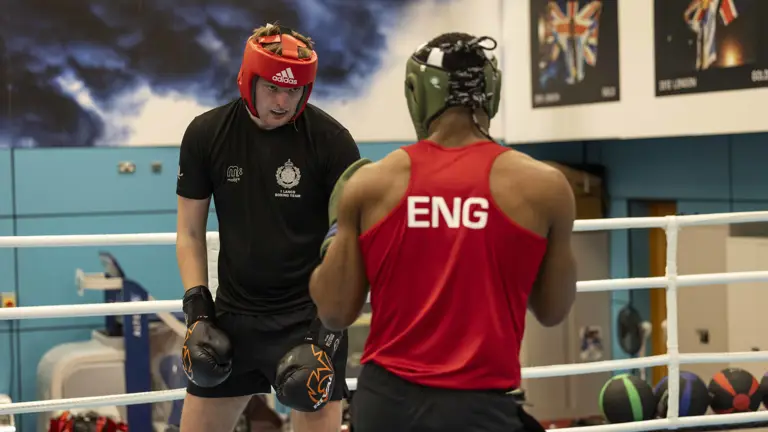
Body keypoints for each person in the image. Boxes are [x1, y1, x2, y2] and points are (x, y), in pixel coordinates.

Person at [308, 32, 578, 431]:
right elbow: (554, 311)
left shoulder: (371, 184)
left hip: (384, 406)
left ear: (415, 93)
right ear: (492, 92)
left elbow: (333, 312)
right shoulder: (544, 187)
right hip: (478, 409)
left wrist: (337, 236)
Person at [176, 22, 361, 432]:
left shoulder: (331, 141)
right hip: (232, 316)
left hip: (308, 318)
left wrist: (326, 333)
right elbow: (189, 232)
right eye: (274, 88)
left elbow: (350, 245)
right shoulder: (206, 134)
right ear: (248, 78)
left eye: (294, 90)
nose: (283, 101)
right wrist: (197, 312)